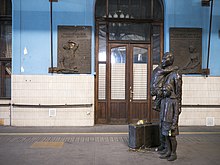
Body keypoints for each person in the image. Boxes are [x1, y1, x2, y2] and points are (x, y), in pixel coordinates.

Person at [151, 52, 180, 152]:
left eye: (165, 59)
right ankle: (164, 146)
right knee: (161, 126)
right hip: (164, 101)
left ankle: (170, 151)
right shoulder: (163, 71)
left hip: (171, 102)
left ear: (170, 60)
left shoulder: (175, 75)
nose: (162, 61)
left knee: (169, 130)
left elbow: (178, 92)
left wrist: (178, 106)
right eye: (162, 58)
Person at [159, 83, 180, 161]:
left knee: (172, 138)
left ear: (170, 90)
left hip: (171, 123)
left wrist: (174, 124)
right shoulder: (163, 100)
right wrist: (161, 121)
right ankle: (168, 151)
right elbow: (161, 112)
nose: (164, 92)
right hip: (164, 122)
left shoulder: (174, 100)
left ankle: (173, 154)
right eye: (163, 91)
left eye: (165, 91)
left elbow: (176, 114)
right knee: (166, 137)